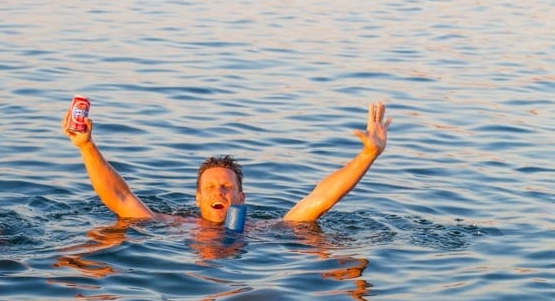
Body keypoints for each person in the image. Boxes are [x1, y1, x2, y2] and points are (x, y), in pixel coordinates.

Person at [63, 101, 392, 225]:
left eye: (225, 186)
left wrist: (367, 154)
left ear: (240, 198)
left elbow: (319, 199)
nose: (217, 192)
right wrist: (86, 145)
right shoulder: (173, 227)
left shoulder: (263, 231)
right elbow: (120, 199)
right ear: (197, 199)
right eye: (209, 187)